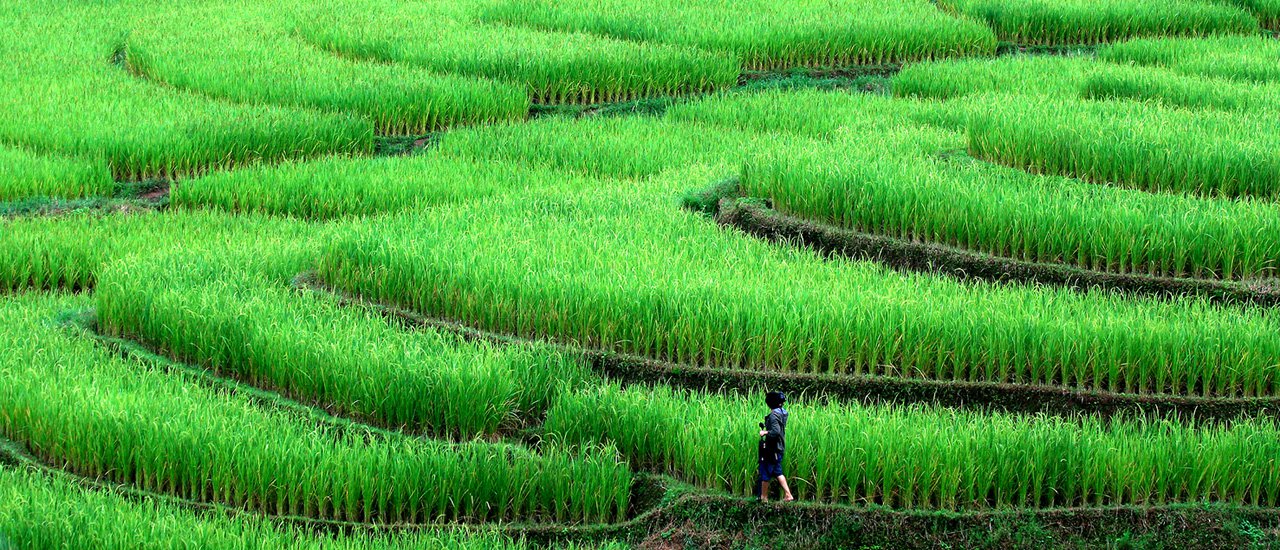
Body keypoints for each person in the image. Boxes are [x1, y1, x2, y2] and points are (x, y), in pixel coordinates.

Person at [757, 391, 794, 503]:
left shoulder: (773, 415)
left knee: (765, 471)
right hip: (779, 448)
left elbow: (775, 432)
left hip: (772, 448)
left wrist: (765, 432)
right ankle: (788, 495)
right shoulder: (783, 413)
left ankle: (764, 497)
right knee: (777, 471)